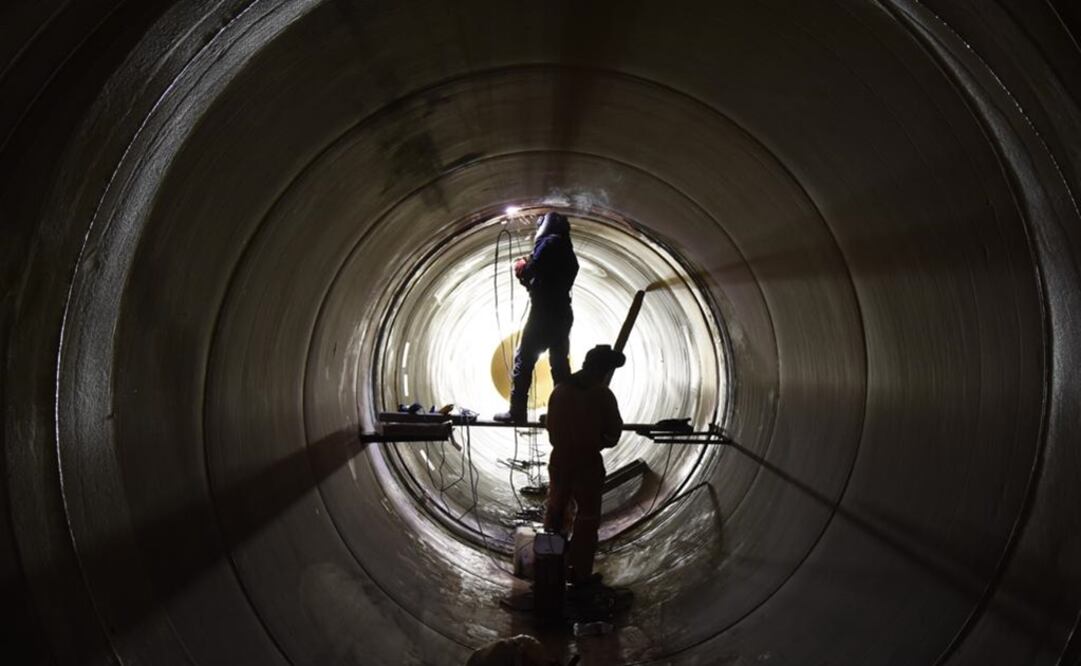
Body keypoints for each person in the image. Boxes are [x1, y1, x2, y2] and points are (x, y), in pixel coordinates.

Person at [542, 344, 624, 587]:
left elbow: (551, 430)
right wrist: (596, 440)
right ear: (601, 368)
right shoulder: (602, 394)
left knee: (556, 512)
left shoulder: (560, 390)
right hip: (587, 464)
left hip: (559, 461)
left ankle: (549, 568)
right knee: (587, 519)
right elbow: (613, 434)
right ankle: (579, 574)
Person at [494, 212, 579, 423]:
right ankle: (564, 413)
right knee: (559, 364)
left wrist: (522, 268)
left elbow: (534, 270)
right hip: (563, 313)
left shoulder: (549, 243)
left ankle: (517, 412)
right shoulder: (569, 253)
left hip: (544, 313)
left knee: (524, 360)